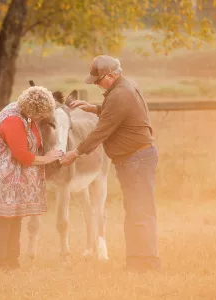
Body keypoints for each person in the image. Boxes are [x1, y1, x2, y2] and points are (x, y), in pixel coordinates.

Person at [60, 55, 161, 272]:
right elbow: (113, 110)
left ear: (111, 75)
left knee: (140, 212)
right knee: (135, 211)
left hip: (137, 159)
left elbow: (100, 131)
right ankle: (136, 261)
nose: (96, 84)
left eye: (98, 80)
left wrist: (75, 153)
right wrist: (93, 108)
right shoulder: (123, 87)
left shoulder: (120, 94)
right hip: (133, 159)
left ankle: (148, 264)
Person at [0, 86, 63, 272]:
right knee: (2, 219)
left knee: (15, 217)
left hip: (13, 173)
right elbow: (22, 154)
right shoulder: (13, 119)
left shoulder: (26, 115)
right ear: (33, 111)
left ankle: (12, 263)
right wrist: (47, 159)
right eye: (41, 115)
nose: (41, 119)